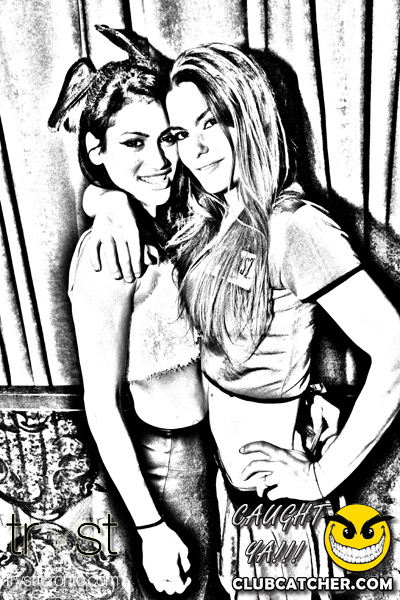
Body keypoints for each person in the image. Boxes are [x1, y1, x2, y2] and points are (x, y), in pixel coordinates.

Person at [83, 43, 400, 597]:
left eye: (213, 122)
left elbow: (397, 350)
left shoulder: (293, 225)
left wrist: (321, 476)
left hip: (278, 505)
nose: (195, 150)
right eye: (180, 133)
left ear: (250, 117)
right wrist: (104, 201)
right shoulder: (210, 214)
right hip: (227, 490)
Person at [49, 28, 226, 600]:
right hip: (165, 466)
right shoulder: (107, 255)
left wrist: (108, 198)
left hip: (212, 452)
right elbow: (100, 406)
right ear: (96, 150)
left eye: (167, 138)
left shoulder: (174, 220)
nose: (160, 160)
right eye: (133, 143)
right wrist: (151, 529)